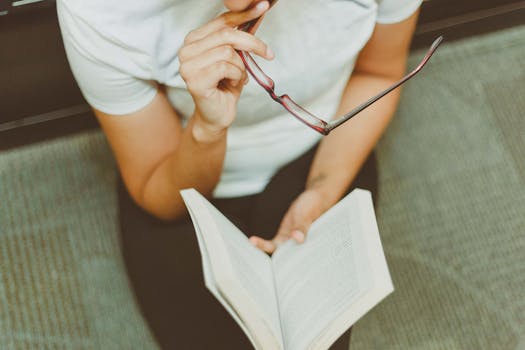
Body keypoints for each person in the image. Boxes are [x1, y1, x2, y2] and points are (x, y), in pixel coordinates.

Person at [57, 0, 421, 348]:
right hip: (180, 167)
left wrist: (324, 188)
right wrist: (206, 129)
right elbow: (158, 189)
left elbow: (378, 72)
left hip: (324, 150)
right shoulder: (99, 10)